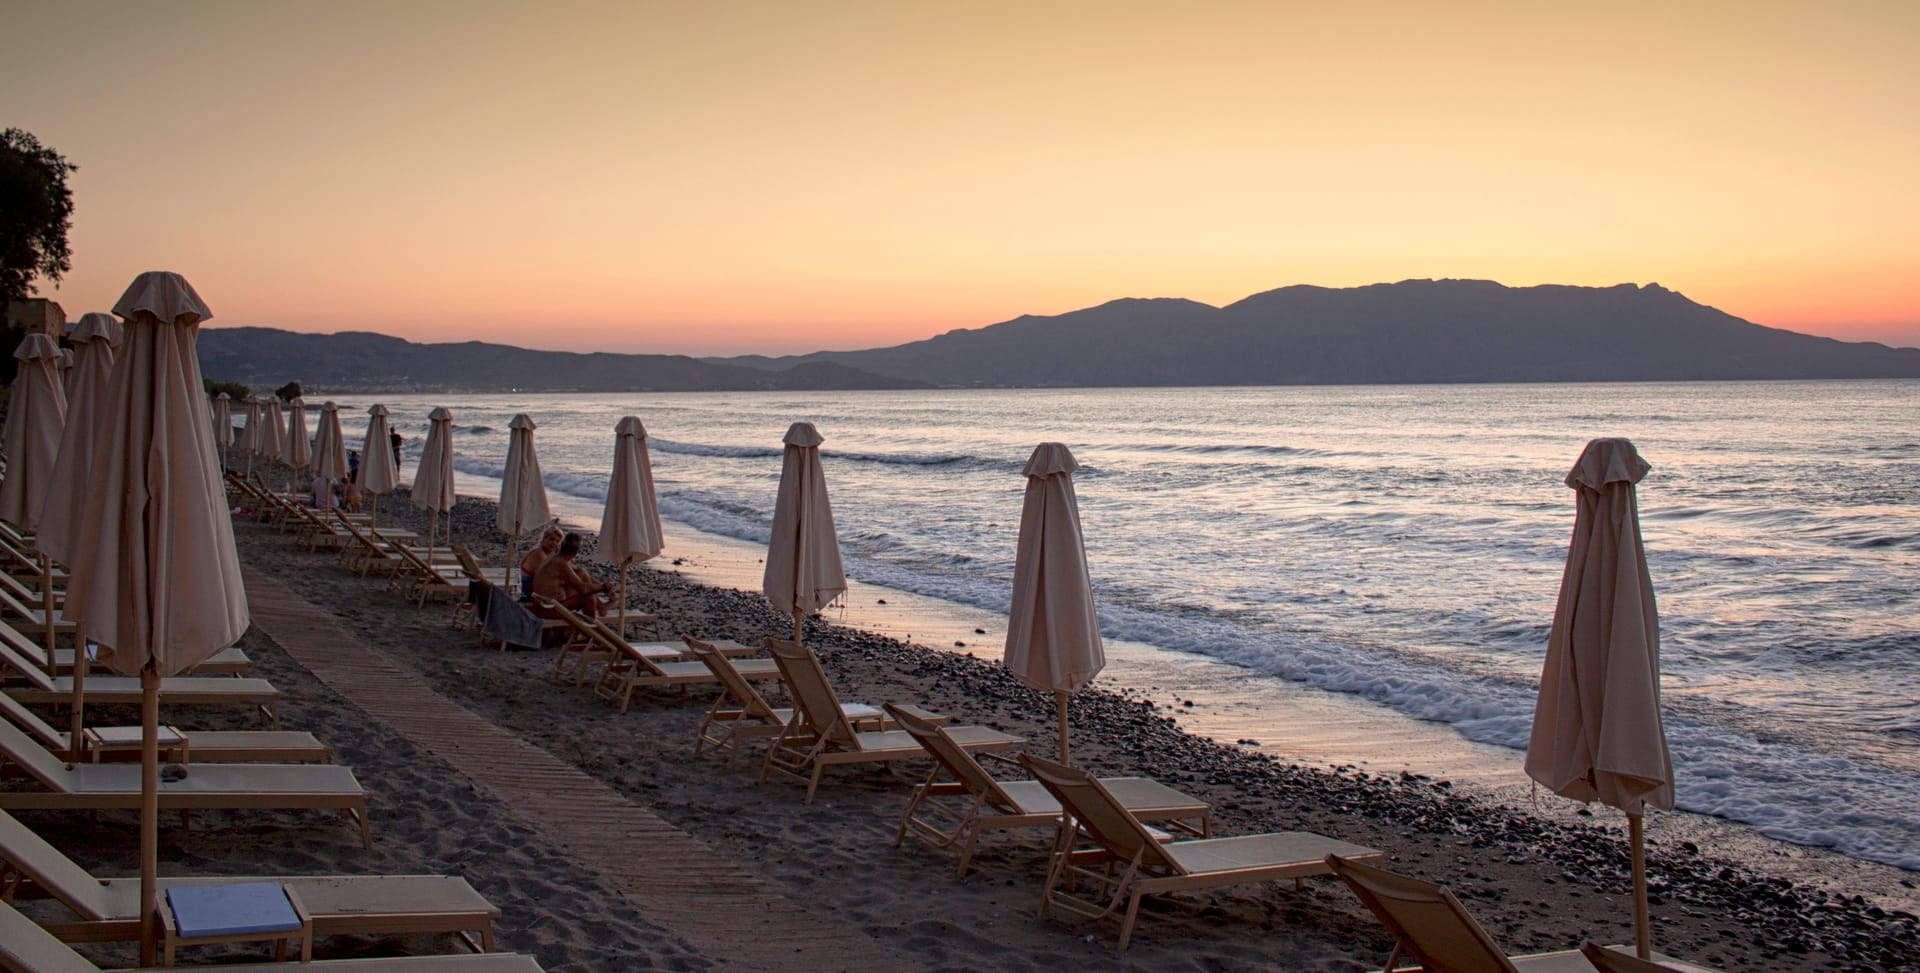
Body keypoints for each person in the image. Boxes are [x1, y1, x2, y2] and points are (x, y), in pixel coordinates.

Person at [531, 532, 612, 617]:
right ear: (577, 552)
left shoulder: (556, 557)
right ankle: (589, 623)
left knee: (580, 572)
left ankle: (600, 606)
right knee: (587, 596)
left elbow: (578, 573)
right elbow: (584, 589)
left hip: (546, 603)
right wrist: (603, 587)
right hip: (549, 608)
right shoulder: (560, 563)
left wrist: (600, 585)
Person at [519, 527, 563, 599]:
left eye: (557, 541)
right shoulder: (539, 553)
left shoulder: (548, 553)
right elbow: (548, 577)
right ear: (544, 539)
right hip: (529, 594)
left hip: (536, 592)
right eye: (551, 539)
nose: (554, 543)